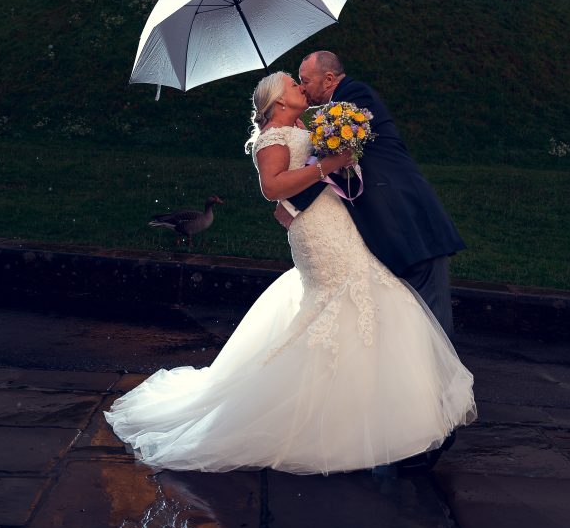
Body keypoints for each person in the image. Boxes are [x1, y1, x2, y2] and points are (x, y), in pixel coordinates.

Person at [104, 71, 475, 475]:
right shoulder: (272, 139)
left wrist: (332, 159)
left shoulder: (300, 126)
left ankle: (369, 410)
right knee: (348, 301)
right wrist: (328, 163)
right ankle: (339, 422)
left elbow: (310, 178)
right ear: (278, 102)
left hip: (335, 222)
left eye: (302, 80)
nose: (301, 87)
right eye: (293, 84)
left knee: (371, 300)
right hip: (320, 235)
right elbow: (272, 186)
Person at [285, 51, 464, 338]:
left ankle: (439, 383)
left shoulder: (354, 97)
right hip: (391, 226)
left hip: (409, 220)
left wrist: (293, 204)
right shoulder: (337, 107)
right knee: (407, 323)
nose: (302, 87)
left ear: (329, 78)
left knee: (431, 323)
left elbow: (335, 159)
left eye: (305, 80)